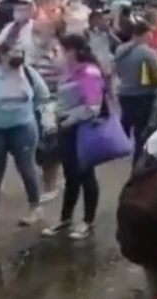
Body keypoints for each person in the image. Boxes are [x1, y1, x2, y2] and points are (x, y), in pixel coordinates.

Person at [0, 44, 48, 229]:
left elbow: (42, 95)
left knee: (27, 167)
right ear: (2, 54)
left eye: (21, 51)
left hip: (23, 127)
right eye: (14, 51)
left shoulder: (29, 73)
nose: (18, 55)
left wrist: (26, 112)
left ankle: (35, 207)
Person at [40, 34, 106, 240]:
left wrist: (69, 118)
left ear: (73, 50)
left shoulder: (89, 73)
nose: (59, 54)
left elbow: (93, 106)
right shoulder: (71, 71)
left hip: (83, 130)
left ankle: (87, 220)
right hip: (67, 131)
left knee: (86, 175)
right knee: (70, 175)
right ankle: (65, 218)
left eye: (62, 50)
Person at [115, 20, 157, 154]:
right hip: (143, 95)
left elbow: (118, 72)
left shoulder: (121, 50)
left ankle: (120, 148)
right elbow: (156, 78)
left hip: (124, 92)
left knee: (126, 121)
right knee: (140, 130)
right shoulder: (148, 53)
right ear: (146, 34)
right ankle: (138, 157)